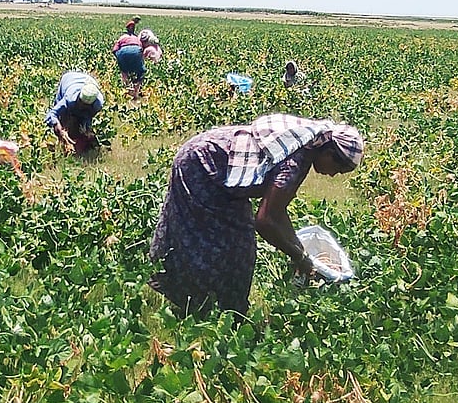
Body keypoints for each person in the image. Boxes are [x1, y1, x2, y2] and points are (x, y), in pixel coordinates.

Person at [148, 114, 364, 316]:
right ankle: (210, 309)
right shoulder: (295, 161)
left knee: (236, 243)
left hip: (215, 164)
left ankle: (219, 309)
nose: (334, 174)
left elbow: (278, 213)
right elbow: (266, 220)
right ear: (328, 153)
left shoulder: (304, 152)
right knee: (225, 245)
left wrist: (299, 249)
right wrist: (300, 257)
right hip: (201, 164)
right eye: (338, 169)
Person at [45, 71, 104, 155]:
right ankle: (62, 146)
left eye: (85, 106)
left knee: (84, 127)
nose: (81, 107)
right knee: (62, 120)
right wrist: (59, 127)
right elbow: (52, 114)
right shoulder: (69, 98)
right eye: (80, 103)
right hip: (68, 80)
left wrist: (87, 129)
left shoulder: (97, 104)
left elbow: (88, 116)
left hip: (89, 81)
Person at [113, 26, 146, 100]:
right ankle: (136, 92)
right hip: (136, 51)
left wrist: (120, 60)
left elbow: (114, 49)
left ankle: (127, 89)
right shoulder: (136, 38)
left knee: (124, 72)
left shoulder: (122, 37)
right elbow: (141, 49)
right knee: (141, 72)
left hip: (122, 52)